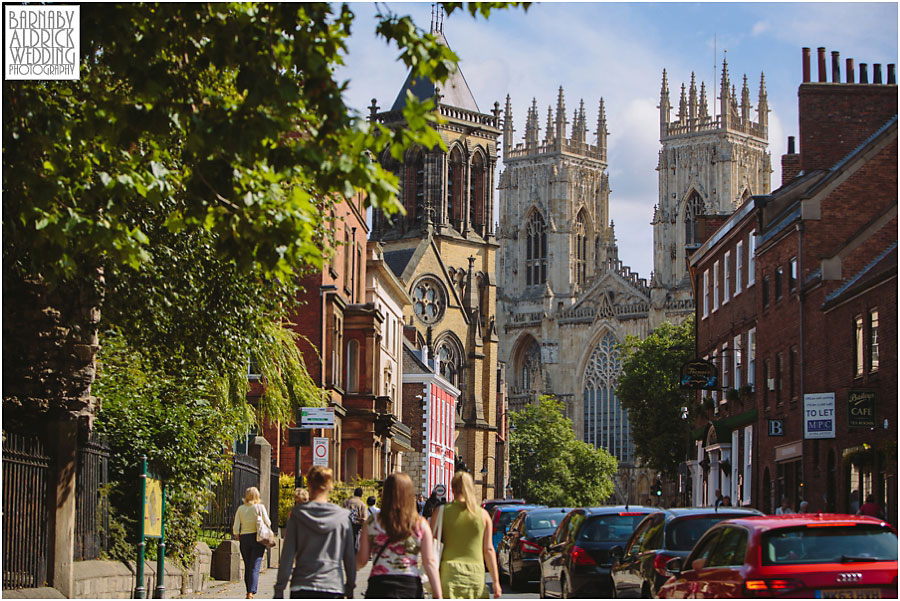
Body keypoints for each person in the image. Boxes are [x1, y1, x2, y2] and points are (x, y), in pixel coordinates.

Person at [356, 472, 443, 598]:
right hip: (409, 585)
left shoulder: (372, 523)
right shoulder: (420, 524)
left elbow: (362, 560)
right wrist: (438, 594)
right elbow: (429, 562)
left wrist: (349, 572)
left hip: (379, 585)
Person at [275, 466, 356, 599]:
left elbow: (287, 555)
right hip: (333, 585)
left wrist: (279, 588)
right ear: (330, 485)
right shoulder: (342, 517)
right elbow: (349, 557)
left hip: (302, 585)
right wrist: (350, 586)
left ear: (307, 484)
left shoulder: (298, 515)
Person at [430, 471, 502, 599]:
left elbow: (430, 545)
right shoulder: (483, 515)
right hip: (475, 574)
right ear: (471, 489)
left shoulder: (441, 512)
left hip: (449, 573)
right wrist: (495, 582)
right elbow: (489, 550)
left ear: (452, 490)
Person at [232, 486, 272, 599]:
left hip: (244, 538)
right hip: (257, 538)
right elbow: (268, 522)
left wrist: (237, 534)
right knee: (255, 565)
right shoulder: (260, 507)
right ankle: (251, 591)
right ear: (257, 496)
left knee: (247, 565)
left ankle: (248, 591)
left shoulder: (241, 508)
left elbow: (236, 526)